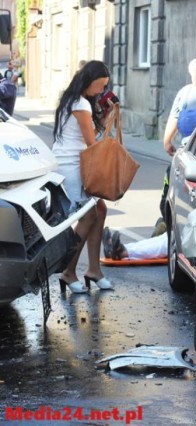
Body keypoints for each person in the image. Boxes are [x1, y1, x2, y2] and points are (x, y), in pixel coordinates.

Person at [52, 60, 115, 293]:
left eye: (104, 87)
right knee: (88, 216)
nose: (100, 91)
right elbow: (91, 143)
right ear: (88, 82)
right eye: (99, 87)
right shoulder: (81, 104)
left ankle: (94, 270)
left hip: (70, 163)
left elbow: (88, 135)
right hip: (72, 166)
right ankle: (68, 271)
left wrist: (105, 114)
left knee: (101, 210)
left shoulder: (74, 100)